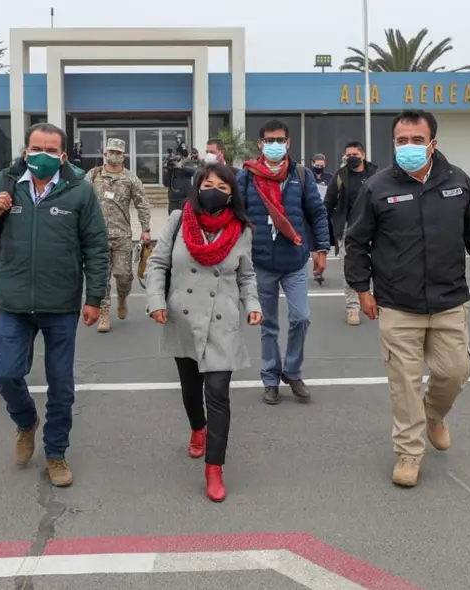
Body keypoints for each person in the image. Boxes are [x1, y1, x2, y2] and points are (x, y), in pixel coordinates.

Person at [344, 109, 470, 487]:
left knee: (455, 371)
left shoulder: (457, 182)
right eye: (402, 141)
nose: (409, 147)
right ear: (393, 143)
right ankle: (409, 454)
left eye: (417, 140)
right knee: (404, 383)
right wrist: (362, 289)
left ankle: (434, 415)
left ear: (433, 143)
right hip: (398, 304)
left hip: (449, 300)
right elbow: (356, 241)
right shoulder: (378, 186)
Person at [0, 122, 109, 488]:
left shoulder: (79, 191)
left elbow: (96, 246)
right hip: (13, 301)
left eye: (49, 150)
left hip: (60, 304)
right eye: (35, 149)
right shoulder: (6, 181)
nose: (40, 156)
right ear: (25, 150)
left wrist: (94, 298)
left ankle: (56, 452)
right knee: (7, 375)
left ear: (62, 156)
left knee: (61, 385)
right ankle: (26, 421)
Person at [145, 163, 261, 502]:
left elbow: (246, 275)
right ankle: (198, 427)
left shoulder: (241, 229)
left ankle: (214, 467)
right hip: (182, 316)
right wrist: (154, 300)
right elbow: (158, 264)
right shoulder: (179, 221)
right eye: (208, 184)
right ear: (197, 188)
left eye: (223, 188)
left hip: (222, 320)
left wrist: (252, 304)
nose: (214, 191)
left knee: (219, 394)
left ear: (232, 195)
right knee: (191, 388)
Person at [239, 119, 331, 405]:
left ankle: (292, 371)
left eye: (280, 140)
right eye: (269, 140)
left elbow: (317, 213)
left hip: (294, 261)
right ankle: (270, 377)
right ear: (260, 143)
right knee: (268, 325)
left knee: (301, 317)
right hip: (261, 263)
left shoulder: (300, 175)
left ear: (288, 143)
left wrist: (322, 250)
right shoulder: (247, 176)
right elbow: (237, 218)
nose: (275, 145)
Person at [85, 138, 152, 332]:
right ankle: (104, 313)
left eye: (118, 153)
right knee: (101, 276)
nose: (114, 155)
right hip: (97, 236)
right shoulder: (93, 175)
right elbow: (80, 199)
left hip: (122, 235)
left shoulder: (130, 179)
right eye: (111, 152)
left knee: (123, 276)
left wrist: (145, 229)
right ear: (104, 154)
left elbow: (142, 204)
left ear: (123, 156)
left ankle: (122, 297)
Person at [324, 141, 378, 325]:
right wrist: (325, 232)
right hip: (348, 228)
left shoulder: (376, 174)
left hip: (375, 227)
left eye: (354, 154)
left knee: (378, 264)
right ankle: (353, 309)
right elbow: (328, 203)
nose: (351, 157)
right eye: (347, 155)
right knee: (350, 267)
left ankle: (377, 301)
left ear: (362, 155)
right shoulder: (340, 176)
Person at [309, 153, 334, 279]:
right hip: (311, 213)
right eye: (317, 165)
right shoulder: (307, 176)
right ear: (312, 164)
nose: (319, 167)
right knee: (313, 243)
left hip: (325, 213)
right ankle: (316, 266)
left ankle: (319, 269)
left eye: (321, 165)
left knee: (323, 243)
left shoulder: (330, 177)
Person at [165, 146, 199, 213]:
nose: (176, 162)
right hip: (173, 199)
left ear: (183, 159)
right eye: (175, 160)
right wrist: (166, 171)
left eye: (178, 160)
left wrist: (182, 167)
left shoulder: (187, 166)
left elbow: (195, 171)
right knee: (173, 219)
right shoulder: (171, 170)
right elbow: (166, 183)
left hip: (185, 198)